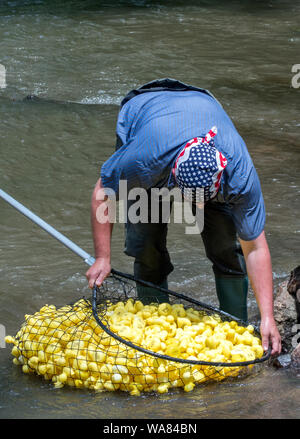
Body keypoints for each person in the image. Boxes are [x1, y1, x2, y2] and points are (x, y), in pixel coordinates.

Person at [86, 78, 281, 355]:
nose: (195, 208)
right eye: (190, 199)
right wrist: (103, 257)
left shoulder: (239, 174)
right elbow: (103, 191)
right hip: (145, 111)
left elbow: (256, 246)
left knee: (226, 245)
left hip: (202, 104)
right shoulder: (145, 161)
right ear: (174, 176)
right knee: (146, 243)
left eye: (203, 200)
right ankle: (153, 323)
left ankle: (236, 327)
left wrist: (268, 317)